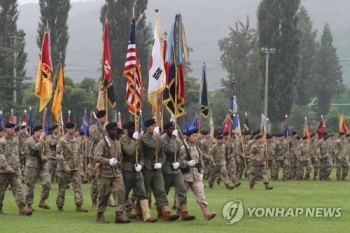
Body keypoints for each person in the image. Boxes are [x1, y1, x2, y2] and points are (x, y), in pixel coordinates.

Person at [139, 118, 179, 221]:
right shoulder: (143, 137)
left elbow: (162, 154)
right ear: (147, 127)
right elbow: (151, 145)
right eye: (152, 126)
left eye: (155, 126)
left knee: (160, 190)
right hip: (146, 166)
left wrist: (160, 163)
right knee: (144, 191)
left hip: (157, 168)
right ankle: (140, 213)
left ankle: (165, 213)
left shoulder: (159, 139)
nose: (154, 128)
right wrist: (156, 137)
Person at [120, 121, 157, 223]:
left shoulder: (138, 140)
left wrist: (140, 164)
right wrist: (134, 140)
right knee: (125, 192)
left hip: (137, 169)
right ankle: (124, 212)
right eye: (131, 129)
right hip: (127, 169)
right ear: (126, 130)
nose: (133, 130)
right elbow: (129, 151)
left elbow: (141, 156)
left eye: (134, 128)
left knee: (142, 191)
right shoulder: (123, 139)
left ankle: (146, 215)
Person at [94, 122, 130, 224]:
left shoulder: (118, 143)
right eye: (113, 130)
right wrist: (108, 161)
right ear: (107, 131)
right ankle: (100, 214)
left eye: (116, 129)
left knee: (120, 192)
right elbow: (96, 157)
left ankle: (119, 214)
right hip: (105, 173)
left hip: (117, 173)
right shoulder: (102, 143)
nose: (115, 131)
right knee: (104, 195)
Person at [161, 122, 195, 221]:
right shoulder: (163, 139)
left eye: (173, 129)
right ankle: (164, 212)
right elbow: (169, 150)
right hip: (166, 167)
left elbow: (180, 154)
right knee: (164, 191)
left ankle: (184, 212)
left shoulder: (177, 140)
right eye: (170, 129)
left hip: (176, 168)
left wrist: (179, 163)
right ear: (166, 129)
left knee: (182, 189)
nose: (172, 130)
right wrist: (173, 139)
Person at [179, 128, 216, 220]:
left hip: (196, 175)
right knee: (181, 195)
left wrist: (201, 173)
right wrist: (187, 163)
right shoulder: (183, 148)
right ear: (188, 137)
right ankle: (180, 213)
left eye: (196, 136)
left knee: (200, 194)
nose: (195, 137)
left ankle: (206, 213)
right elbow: (179, 162)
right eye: (193, 136)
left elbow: (200, 163)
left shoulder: (197, 148)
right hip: (185, 175)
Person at [0, 123, 32, 216]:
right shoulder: (1, 142)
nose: (13, 130)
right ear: (6, 130)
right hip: (3, 171)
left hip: (15, 170)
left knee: (18, 189)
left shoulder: (16, 140)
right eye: (11, 129)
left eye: (14, 129)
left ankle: (22, 208)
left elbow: (16, 154)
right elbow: (0, 156)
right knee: (1, 191)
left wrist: (18, 167)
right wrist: (7, 166)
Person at [56, 122, 88, 212]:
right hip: (64, 169)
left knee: (78, 187)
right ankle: (60, 206)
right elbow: (59, 155)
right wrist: (65, 166)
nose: (74, 130)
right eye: (72, 128)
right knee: (62, 188)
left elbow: (79, 153)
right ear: (67, 129)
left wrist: (80, 167)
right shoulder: (62, 140)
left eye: (74, 128)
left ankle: (79, 205)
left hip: (75, 168)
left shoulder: (77, 140)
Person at [24, 125, 51, 211]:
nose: (41, 133)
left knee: (47, 182)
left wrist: (45, 157)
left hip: (42, 165)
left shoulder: (44, 141)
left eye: (42, 131)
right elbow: (35, 147)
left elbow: (48, 153)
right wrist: (41, 139)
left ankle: (42, 200)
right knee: (30, 185)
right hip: (32, 165)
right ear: (35, 132)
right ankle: (29, 205)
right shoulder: (30, 140)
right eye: (39, 131)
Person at [88, 110, 106, 209]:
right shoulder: (93, 127)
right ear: (99, 118)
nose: (105, 118)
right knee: (95, 179)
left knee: (105, 178)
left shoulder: (106, 128)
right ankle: (94, 200)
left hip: (104, 156)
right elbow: (97, 138)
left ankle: (105, 198)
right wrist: (103, 130)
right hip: (95, 156)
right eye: (103, 117)